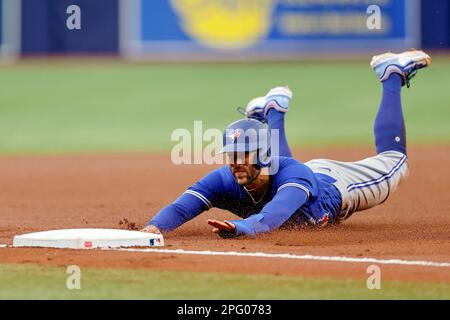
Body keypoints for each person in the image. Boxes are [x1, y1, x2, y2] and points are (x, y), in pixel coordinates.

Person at [141, 50, 431, 238]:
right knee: (277, 174)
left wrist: (242, 227)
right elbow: (180, 209)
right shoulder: (224, 178)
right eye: (231, 154)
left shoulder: (296, 178)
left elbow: (272, 217)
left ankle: (391, 74)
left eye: (243, 154)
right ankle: (273, 112)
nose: (234, 162)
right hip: (287, 172)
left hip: (338, 185)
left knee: (396, 161)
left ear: (263, 153)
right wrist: (152, 229)